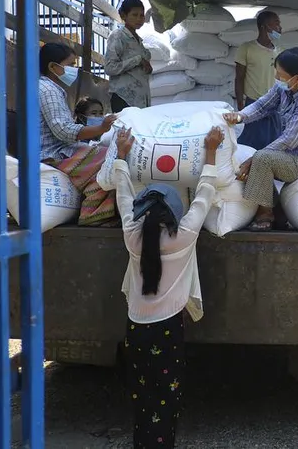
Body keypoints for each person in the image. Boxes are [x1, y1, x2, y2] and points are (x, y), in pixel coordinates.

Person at [111, 125, 223, 449]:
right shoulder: (184, 236)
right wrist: (211, 150)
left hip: (136, 328)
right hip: (167, 332)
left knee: (142, 398)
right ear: (175, 213)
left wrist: (121, 156)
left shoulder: (132, 235)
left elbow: (122, 195)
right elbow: (204, 193)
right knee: (166, 400)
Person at [223, 47, 298, 232]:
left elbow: (290, 139)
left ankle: (265, 214)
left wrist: (254, 159)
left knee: (261, 158)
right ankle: (279, 211)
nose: (276, 77)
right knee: (252, 158)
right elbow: (262, 105)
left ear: (296, 79)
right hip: (290, 155)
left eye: (280, 74)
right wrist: (240, 116)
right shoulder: (284, 89)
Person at [39, 43, 119, 226]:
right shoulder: (49, 91)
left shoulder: (47, 88)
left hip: (56, 149)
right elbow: (64, 131)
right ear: (53, 67)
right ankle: (93, 214)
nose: (74, 70)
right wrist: (101, 128)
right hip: (52, 154)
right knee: (110, 158)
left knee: (103, 153)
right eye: (71, 65)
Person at [234, 10, 283, 150]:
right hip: (254, 104)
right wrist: (240, 105)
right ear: (264, 26)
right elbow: (239, 78)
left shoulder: (278, 51)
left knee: (273, 145)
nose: (280, 28)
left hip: (274, 105)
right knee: (252, 145)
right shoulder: (247, 48)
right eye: (276, 23)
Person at [106, 0, 153, 112]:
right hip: (124, 99)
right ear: (123, 16)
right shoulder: (118, 36)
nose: (139, 19)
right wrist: (137, 60)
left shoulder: (138, 40)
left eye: (141, 15)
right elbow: (110, 68)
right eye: (134, 15)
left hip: (140, 100)